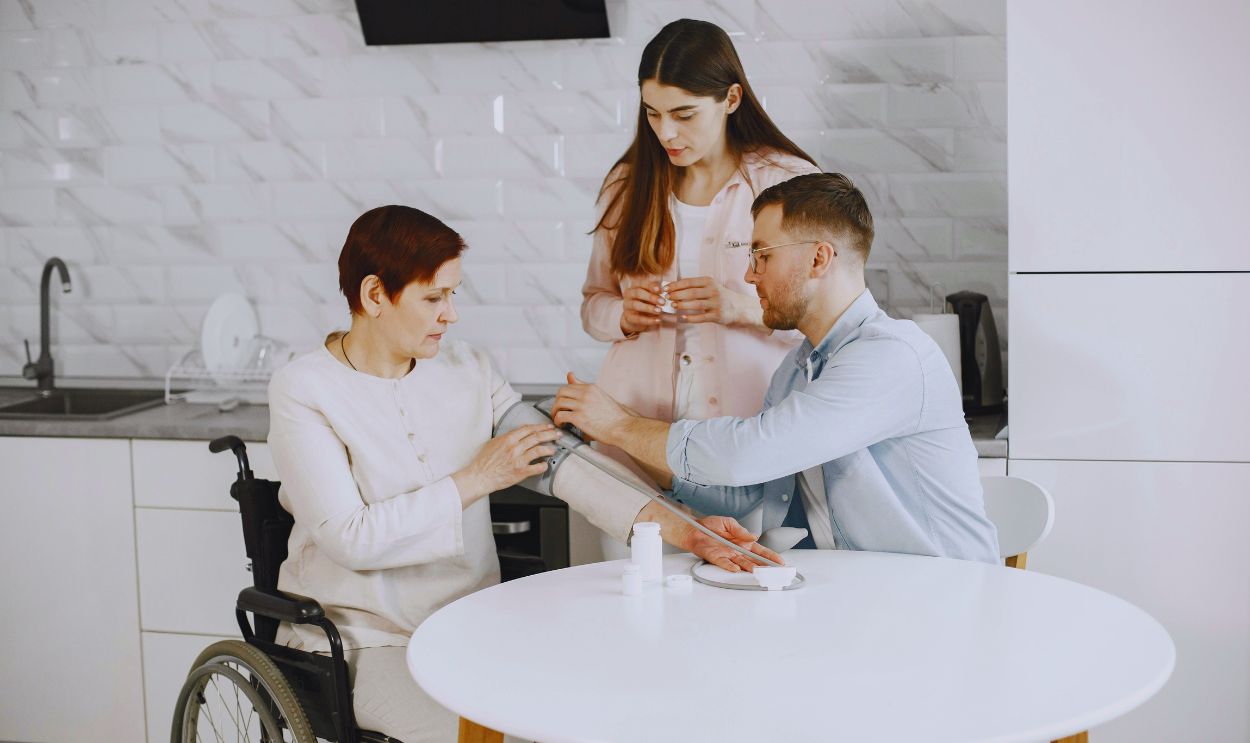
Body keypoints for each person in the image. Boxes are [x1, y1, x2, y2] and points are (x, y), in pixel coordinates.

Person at [267, 205, 778, 742]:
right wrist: (477, 477)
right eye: (434, 297)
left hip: (470, 627)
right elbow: (352, 539)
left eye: (453, 294)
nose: (451, 314)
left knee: (589, 711)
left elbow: (564, 464)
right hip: (364, 642)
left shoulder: (468, 369)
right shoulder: (305, 390)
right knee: (495, 737)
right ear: (375, 296)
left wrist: (688, 528)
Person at [556, 174, 1001, 563]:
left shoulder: (891, 357)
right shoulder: (796, 368)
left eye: (762, 255)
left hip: (937, 602)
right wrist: (618, 438)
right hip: (857, 598)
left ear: (819, 259)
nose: (750, 276)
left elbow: (747, 453)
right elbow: (748, 491)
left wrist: (619, 425)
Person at [581, 18, 820, 449]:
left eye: (683, 114)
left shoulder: (786, 183)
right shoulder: (626, 185)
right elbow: (594, 303)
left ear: (731, 98)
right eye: (652, 113)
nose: (665, 132)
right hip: (634, 431)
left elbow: (828, 316)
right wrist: (622, 316)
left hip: (749, 433)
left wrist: (739, 307)